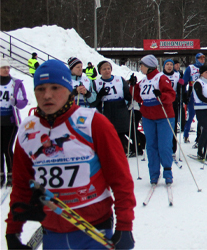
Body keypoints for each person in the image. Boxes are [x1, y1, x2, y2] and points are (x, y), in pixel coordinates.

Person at [5, 60, 135, 250]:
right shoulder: (27, 130)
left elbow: (120, 178)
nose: (47, 95)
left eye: (55, 87)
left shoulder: (93, 123)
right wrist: (12, 231)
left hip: (95, 230)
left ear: (69, 89)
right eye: (40, 89)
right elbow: (22, 184)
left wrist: (125, 225)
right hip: (52, 232)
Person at [131, 55, 176, 185]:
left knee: (164, 146)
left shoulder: (161, 78)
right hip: (148, 117)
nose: (141, 67)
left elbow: (171, 95)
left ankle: (167, 172)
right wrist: (132, 86)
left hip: (163, 116)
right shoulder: (143, 81)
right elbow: (138, 97)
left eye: (142, 65)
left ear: (149, 66)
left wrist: (161, 96)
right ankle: (154, 174)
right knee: (151, 146)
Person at [92, 61, 132, 152]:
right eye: (104, 69)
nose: (107, 71)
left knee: (120, 133)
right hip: (105, 109)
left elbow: (128, 95)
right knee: (108, 133)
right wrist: (99, 96)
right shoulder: (96, 83)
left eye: (108, 68)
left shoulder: (119, 79)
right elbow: (93, 101)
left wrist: (132, 86)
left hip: (119, 109)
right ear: (100, 71)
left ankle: (123, 151)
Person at [0, 58, 28, 187]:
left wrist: (16, 102)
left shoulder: (15, 83)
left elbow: (24, 101)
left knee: (7, 147)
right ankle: (1, 174)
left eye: (8, 68)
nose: (6, 70)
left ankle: (11, 174)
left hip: (10, 121)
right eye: (3, 68)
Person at [191, 65, 207, 160]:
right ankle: (200, 150)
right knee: (205, 129)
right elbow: (200, 96)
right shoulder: (198, 83)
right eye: (206, 72)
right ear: (201, 73)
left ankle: (206, 151)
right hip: (201, 109)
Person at [182, 53, 206, 143]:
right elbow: (184, 81)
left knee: (202, 117)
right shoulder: (191, 68)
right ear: (196, 59)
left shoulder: (205, 68)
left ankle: (200, 136)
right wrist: (185, 94)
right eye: (200, 58)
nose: (202, 60)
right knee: (191, 115)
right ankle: (186, 135)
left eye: (203, 58)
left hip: (203, 94)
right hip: (193, 93)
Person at [163, 59, 184, 156]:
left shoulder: (177, 75)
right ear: (164, 66)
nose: (169, 66)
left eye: (171, 64)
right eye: (167, 64)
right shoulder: (160, 76)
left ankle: (173, 148)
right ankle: (164, 147)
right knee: (163, 124)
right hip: (163, 102)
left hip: (174, 101)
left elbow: (182, 88)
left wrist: (181, 85)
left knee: (173, 124)